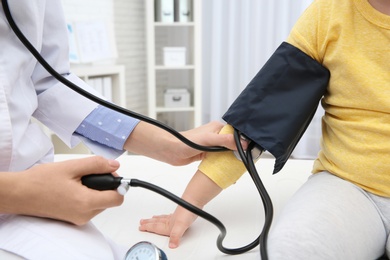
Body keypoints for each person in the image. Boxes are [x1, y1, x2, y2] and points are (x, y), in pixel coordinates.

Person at [139, 0, 390, 259]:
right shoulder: (329, 12)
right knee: (291, 249)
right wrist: (188, 207)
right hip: (347, 186)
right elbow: (256, 124)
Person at [0, 1, 239, 259]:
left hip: (33, 197)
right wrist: (20, 193)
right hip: (32, 195)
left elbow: (48, 80)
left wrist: (165, 142)